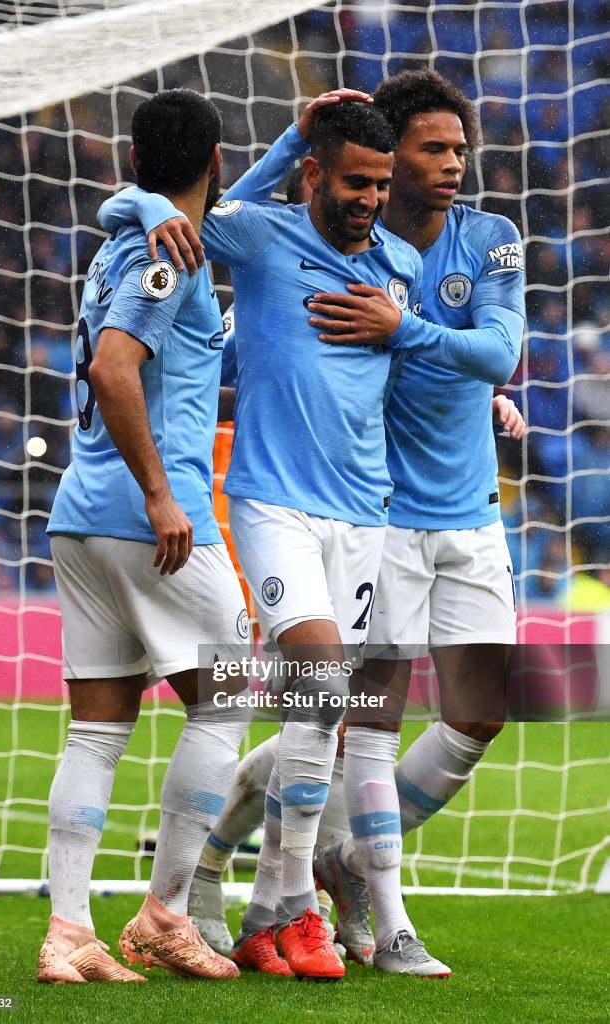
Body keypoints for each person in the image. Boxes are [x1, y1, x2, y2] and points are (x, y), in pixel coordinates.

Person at [154, 70, 526, 979]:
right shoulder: (287, 238)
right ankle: (332, 905)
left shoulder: (440, 255)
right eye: (429, 150)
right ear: (349, 170)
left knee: (394, 712)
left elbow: (479, 353)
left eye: (457, 150)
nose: (449, 165)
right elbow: (212, 244)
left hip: (418, 510)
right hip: (329, 504)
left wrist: (455, 378)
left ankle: (302, 885)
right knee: (337, 700)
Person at [99, 94, 425, 980]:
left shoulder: (399, 266)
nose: (370, 198)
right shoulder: (261, 233)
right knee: (317, 681)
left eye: (380, 183)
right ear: (314, 174)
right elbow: (175, 211)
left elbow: (420, 371)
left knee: (322, 713)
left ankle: (276, 909)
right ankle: (282, 905)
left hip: (366, 511)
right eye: (355, 181)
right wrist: (267, 150)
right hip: (273, 503)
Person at [37, 89, 252, 984]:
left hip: (80, 518)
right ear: (214, 161)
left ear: (134, 165)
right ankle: (169, 912)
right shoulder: (175, 257)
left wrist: (297, 132)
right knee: (237, 696)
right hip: (154, 522)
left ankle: (67, 934)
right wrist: (163, 495)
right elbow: (113, 366)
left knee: (97, 730)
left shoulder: (128, 236)